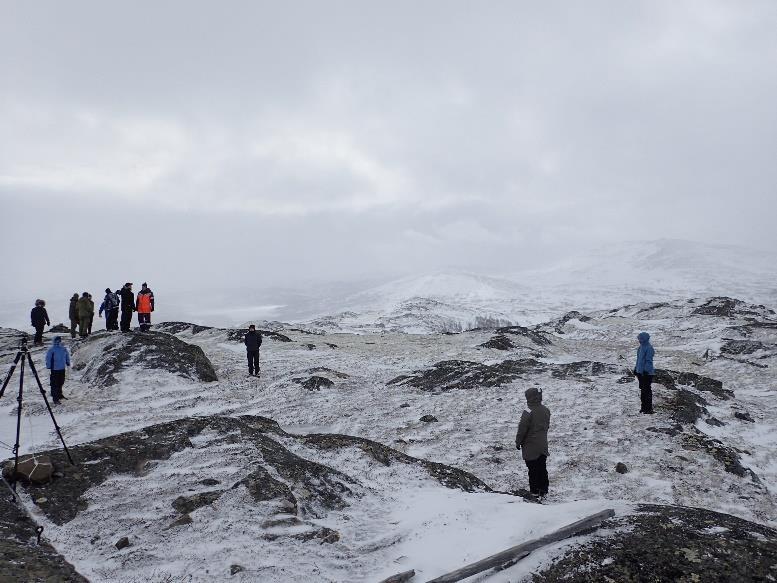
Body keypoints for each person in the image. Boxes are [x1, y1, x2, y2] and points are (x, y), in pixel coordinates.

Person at [515, 387, 551, 498]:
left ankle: (534, 492)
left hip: (531, 446)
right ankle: (543, 490)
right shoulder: (546, 410)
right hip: (543, 445)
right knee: (542, 467)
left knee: (533, 469)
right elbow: (546, 426)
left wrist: (518, 442)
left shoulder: (528, 411)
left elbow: (522, 429)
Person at [634, 331, 655, 414]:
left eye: (641, 339)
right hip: (640, 373)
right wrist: (636, 369)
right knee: (643, 390)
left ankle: (648, 409)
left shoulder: (649, 348)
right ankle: (643, 408)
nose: (639, 340)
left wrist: (646, 371)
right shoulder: (640, 347)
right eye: (639, 339)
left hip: (647, 374)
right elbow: (638, 360)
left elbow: (649, 361)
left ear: (645, 339)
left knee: (647, 391)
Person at [45, 336, 71, 404]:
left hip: (62, 369)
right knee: (54, 384)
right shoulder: (51, 350)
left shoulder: (63, 349)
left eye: (59, 340)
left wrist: (68, 363)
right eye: (56, 340)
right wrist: (48, 367)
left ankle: (60, 395)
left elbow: (67, 356)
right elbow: (48, 359)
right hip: (54, 369)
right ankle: (55, 398)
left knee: (61, 382)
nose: (58, 341)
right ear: (54, 341)